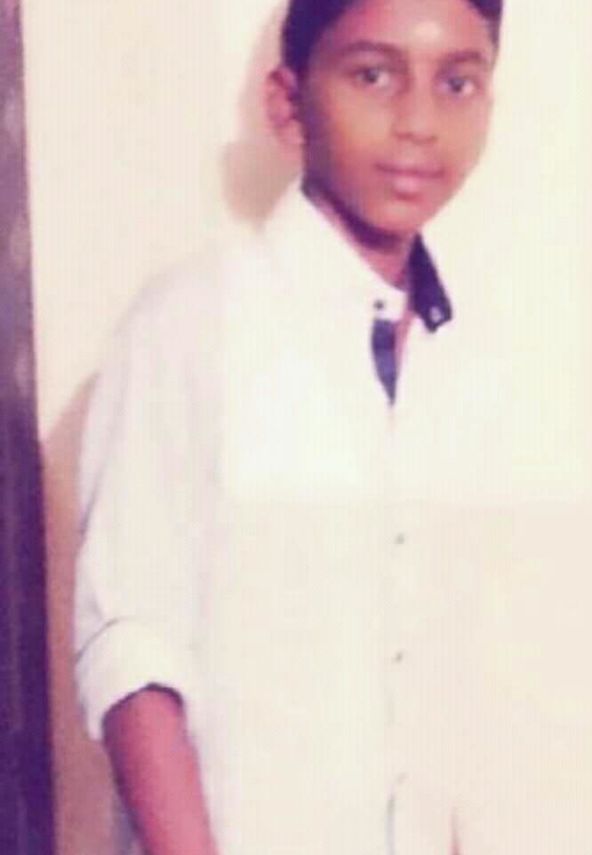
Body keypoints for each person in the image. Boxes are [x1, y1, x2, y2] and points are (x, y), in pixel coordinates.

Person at [74, 1, 503, 853]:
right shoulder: (189, 326)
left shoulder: (471, 355)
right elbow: (130, 646)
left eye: (457, 83)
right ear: (287, 103)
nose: (419, 122)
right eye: (374, 75)